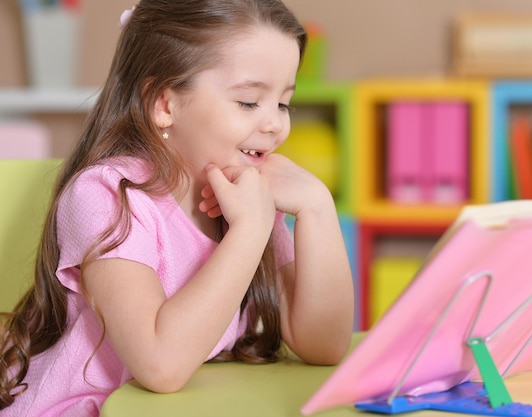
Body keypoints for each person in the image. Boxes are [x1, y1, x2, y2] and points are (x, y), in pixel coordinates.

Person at [0, 0, 354, 415]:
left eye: (283, 103)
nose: (275, 124)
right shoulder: (108, 195)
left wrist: (316, 206)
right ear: (165, 105)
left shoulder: (243, 196)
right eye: (248, 102)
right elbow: (160, 364)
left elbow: (324, 344)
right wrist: (250, 231)